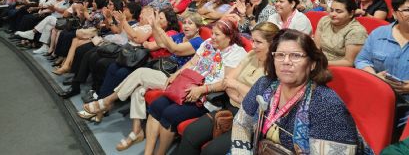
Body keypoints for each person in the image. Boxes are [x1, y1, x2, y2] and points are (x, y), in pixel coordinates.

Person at [77, 13, 204, 151]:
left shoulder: (198, 42)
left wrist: (157, 27)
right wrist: (155, 27)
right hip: (164, 71)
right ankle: (136, 132)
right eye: (184, 22)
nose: (186, 25)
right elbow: (160, 43)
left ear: (198, 28)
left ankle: (106, 101)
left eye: (190, 23)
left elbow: (174, 49)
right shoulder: (180, 36)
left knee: (140, 73)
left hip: (176, 78)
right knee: (138, 90)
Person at [232, 29, 366, 154]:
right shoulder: (264, 84)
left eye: (296, 56)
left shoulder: (327, 104)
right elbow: (241, 124)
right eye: (280, 55)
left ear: (312, 63)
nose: (286, 61)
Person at [144, 18, 247, 155]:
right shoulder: (208, 43)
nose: (212, 37)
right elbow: (193, 63)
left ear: (229, 37)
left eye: (217, 35)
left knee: (169, 114)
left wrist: (201, 89)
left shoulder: (236, 53)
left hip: (205, 96)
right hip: (186, 85)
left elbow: (226, 82)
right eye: (212, 33)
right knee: (157, 105)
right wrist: (177, 73)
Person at [176, 22, 280, 155]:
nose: (253, 46)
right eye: (252, 40)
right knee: (190, 132)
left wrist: (236, 85)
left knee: (211, 151)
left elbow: (258, 101)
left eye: (258, 42)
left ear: (273, 44)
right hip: (231, 108)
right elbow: (226, 81)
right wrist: (241, 93)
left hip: (251, 119)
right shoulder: (251, 55)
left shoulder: (276, 67)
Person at [355, 0, 409, 99]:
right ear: (394, 14)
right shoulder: (379, 34)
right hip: (379, 95)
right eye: (407, 10)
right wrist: (375, 77)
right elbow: (362, 61)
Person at [314, 0, 367, 66]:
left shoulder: (356, 31)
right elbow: (316, 48)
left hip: (341, 69)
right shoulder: (325, 20)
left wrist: (320, 64)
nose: (333, 14)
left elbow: (349, 62)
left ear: (351, 14)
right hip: (320, 62)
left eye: (338, 12)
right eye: (332, 10)